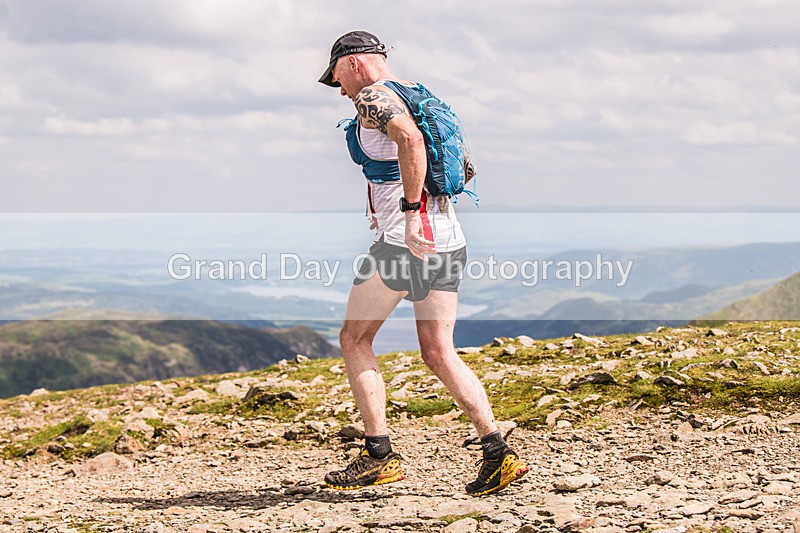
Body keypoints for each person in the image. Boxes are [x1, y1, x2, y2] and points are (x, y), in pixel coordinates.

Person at [318, 31, 528, 496]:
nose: (341, 91)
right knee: (438, 352)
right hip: (448, 239)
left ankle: (379, 456)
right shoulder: (421, 94)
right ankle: (497, 453)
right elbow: (460, 166)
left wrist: (412, 215)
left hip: (404, 242)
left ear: (353, 63)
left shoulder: (372, 97)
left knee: (354, 338)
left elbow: (411, 141)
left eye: (336, 78)